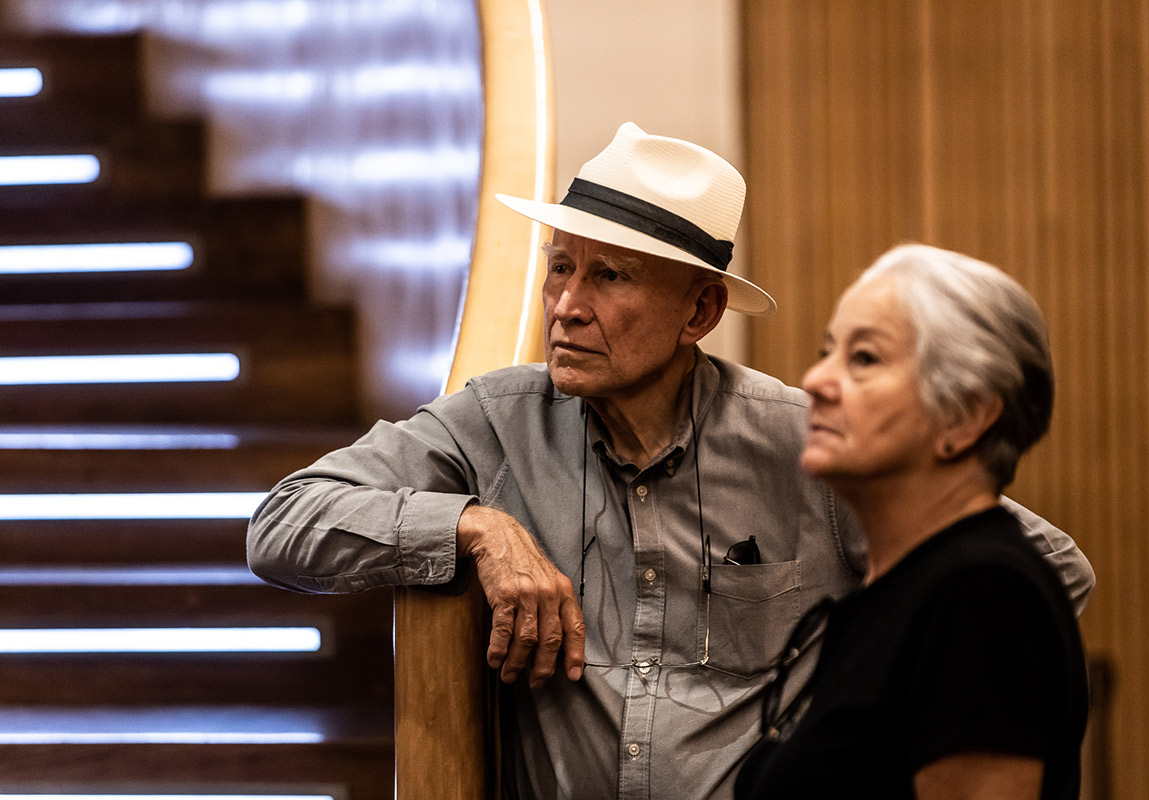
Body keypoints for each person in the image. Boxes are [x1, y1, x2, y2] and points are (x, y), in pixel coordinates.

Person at [247, 124, 1093, 800]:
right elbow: (282, 524)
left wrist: (852, 696)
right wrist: (475, 525)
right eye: (561, 270)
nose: (567, 308)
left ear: (700, 311)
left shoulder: (809, 442)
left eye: (609, 277)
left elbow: (1046, 571)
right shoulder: (498, 420)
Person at [734, 244, 1090, 800]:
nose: (817, 381)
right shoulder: (893, 589)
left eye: (865, 359)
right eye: (828, 352)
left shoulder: (981, 594)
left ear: (965, 416)